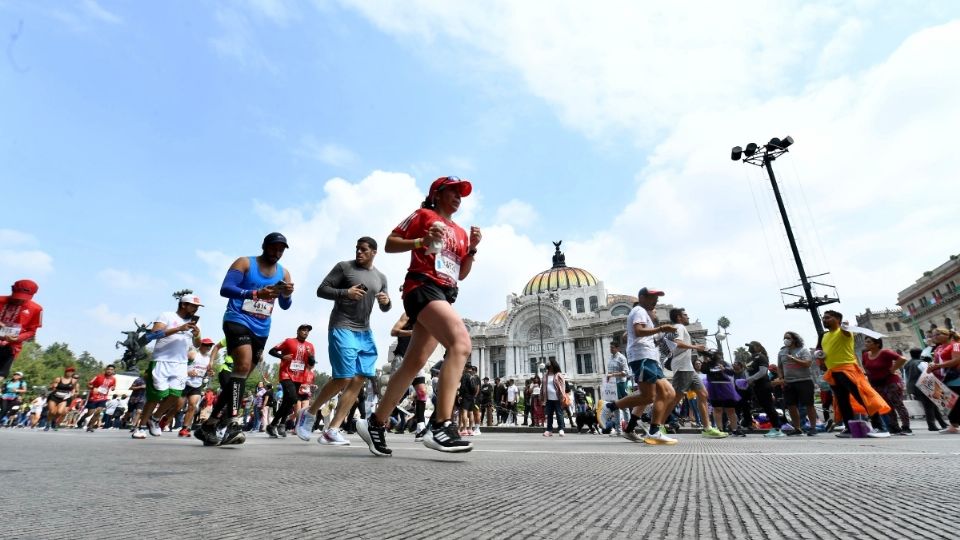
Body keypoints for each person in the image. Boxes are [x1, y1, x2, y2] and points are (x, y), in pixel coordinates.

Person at [356, 175, 482, 456]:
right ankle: (441, 424)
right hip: (422, 287)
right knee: (461, 343)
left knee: (413, 363)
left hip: (445, 293)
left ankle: (376, 422)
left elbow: (461, 272)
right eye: (452, 192)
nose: (458, 197)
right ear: (436, 194)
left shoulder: (460, 232)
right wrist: (420, 241)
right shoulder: (423, 215)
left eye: (460, 193)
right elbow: (390, 243)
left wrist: (472, 248)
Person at [196, 232, 294, 446]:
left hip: (261, 328)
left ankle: (210, 424)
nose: (277, 253)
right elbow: (226, 289)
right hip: (237, 319)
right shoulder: (244, 263)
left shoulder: (283, 273)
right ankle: (232, 423)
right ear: (264, 246)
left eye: (281, 250)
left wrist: (286, 293)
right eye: (273, 248)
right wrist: (256, 294)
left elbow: (286, 305)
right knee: (241, 365)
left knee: (237, 380)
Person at [295, 237, 391, 447]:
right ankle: (309, 413)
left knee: (359, 379)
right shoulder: (344, 267)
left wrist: (387, 302)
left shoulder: (381, 277)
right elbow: (321, 290)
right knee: (343, 377)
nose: (359, 252)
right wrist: (345, 293)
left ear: (374, 252)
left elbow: (385, 306)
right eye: (357, 248)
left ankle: (332, 430)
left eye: (364, 250)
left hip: (365, 332)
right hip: (342, 326)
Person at [603, 288, 678, 445]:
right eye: (653, 298)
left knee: (664, 393)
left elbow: (629, 335)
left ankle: (647, 428)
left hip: (649, 358)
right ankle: (611, 407)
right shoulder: (639, 311)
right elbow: (637, 331)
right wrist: (662, 329)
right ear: (642, 297)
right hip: (643, 358)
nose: (656, 302)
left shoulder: (643, 314)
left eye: (657, 298)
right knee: (652, 395)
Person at [132, 293, 203, 439]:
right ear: (183, 305)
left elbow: (197, 344)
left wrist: (196, 335)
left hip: (181, 364)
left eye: (197, 307)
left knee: (175, 395)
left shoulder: (196, 322)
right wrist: (178, 329)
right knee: (155, 397)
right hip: (161, 361)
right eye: (193, 306)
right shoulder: (167, 316)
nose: (196, 309)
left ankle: (155, 418)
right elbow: (151, 336)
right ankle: (141, 426)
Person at [819, 310, 891, 438]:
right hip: (833, 373)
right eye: (823, 318)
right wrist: (823, 361)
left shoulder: (844, 332)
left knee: (863, 397)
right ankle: (849, 428)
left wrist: (845, 326)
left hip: (848, 370)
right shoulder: (824, 336)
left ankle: (880, 427)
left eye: (828, 318)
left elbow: (846, 331)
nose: (824, 320)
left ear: (838, 320)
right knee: (843, 402)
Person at [666, 308, 727, 439]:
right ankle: (657, 424)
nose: (688, 317)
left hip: (688, 367)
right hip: (682, 367)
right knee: (676, 398)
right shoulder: (679, 327)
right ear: (678, 317)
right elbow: (678, 343)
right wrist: (695, 347)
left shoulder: (679, 328)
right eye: (685, 315)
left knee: (703, 394)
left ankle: (707, 428)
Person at [268, 324, 316, 438]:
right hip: (286, 374)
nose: (305, 332)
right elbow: (272, 351)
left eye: (307, 331)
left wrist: (310, 356)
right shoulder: (289, 341)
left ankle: (275, 424)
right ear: (298, 331)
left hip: (299, 376)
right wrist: (282, 357)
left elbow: (312, 363)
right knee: (293, 399)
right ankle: (281, 424)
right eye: (303, 330)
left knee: (287, 402)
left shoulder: (310, 346)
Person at [862, 336, 910, 435]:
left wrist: (893, 369)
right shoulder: (865, 355)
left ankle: (906, 427)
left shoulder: (885, 352)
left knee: (898, 404)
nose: (866, 344)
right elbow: (865, 367)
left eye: (868, 342)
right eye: (865, 342)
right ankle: (894, 427)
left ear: (877, 344)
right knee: (888, 406)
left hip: (890, 382)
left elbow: (902, 359)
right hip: (876, 384)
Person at [774, 331, 818, 436]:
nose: (786, 340)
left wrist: (794, 359)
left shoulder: (803, 350)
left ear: (794, 339)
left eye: (788, 338)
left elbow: (807, 364)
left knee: (809, 405)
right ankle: (797, 428)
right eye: (784, 338)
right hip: (789, 382)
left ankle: (813, 427)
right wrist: (781, 378)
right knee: (791, 405)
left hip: (804, 381)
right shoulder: (782, 352)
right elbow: (779, 367)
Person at [0, 280, 43, 385]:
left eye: (23, 298)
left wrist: (18, 338)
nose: (19, 300)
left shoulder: (37, 309)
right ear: (12, 290)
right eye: (17, 296)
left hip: (10, 347)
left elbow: (31, 331)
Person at [744, 341, 785, 438]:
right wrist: (748, 379)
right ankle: (774, 428)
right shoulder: (750, 358)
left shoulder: (762, 357)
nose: (749, 348)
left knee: (769, 406)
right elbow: (747, 370)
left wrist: (751, 378)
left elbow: (763, 371)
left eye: (751, 346)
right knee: (764, 407)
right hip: (755, 386)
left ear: (758, 347)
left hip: (763, 385)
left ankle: (777, 428)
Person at [926, 327, 960, 434]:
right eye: (933, 335)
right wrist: (931, 366)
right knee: (947, 402)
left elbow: (957, 360)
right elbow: (935, 361)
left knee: (956, 402)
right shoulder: (938, 348)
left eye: (937, 334)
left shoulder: (956, 344)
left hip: (956, 376)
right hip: (942, 377)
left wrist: (938, 365)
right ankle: (953, 425)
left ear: (947, 334)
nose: (934, 337)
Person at [179, 337, 215, 436]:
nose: (209, 347)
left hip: (197, 384)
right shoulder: (193, 354)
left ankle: (185, 428)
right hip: (184, 383)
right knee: (177, 407)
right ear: (201, 345)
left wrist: (210, 373)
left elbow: (207, 372)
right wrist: (187, 371)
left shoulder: (209, 359)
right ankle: (162, 420)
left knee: (192, 407)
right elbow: (178, 365)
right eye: (207, 345)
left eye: (210, 345)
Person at [903, 348, 946, 431]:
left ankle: (942, 423)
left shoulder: (907, 364)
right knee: (929, 406)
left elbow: (906, 377)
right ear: (921, 354)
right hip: (924, 385)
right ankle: (932, 425)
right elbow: (928, 373)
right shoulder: (921, 363)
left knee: (931, 405)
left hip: (913, 387)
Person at [605, 341, 629, 436]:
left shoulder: (622, 358)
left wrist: (613, 375)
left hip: (620, 383)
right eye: (610, 348)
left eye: (612, 348)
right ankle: (618, 430)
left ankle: (628, 429)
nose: (611, 349)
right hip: (612, 385)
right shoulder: (610, 358)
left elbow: (626, 372)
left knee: (624, 406)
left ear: (617, 348)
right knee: (615, 407)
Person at [85, 365, 116, 432]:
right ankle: (82, 420)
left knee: (98, 411)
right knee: (90, 413)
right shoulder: (98, 376)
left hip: (103, 398)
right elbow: (88, 384)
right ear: (105, 370)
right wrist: (93, 388)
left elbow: (113, 386)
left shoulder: (113, 379)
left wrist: (113, 388)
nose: (109, 371)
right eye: (108, 369)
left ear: (113, 371)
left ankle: (90, 426)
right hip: (93, 397)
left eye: (111, 369)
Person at [540, 358, 566, 437]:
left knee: (559, 414)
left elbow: (562, 386)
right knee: (549, 414)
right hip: (548, 398)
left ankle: (561, 429)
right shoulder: (545, 375)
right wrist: (541, 395)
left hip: (557, 397)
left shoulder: (558, 375)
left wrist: (562, 396)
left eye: (549, 364)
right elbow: (543, 386)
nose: (548, 365)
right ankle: (549, 430)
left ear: (553, 365)